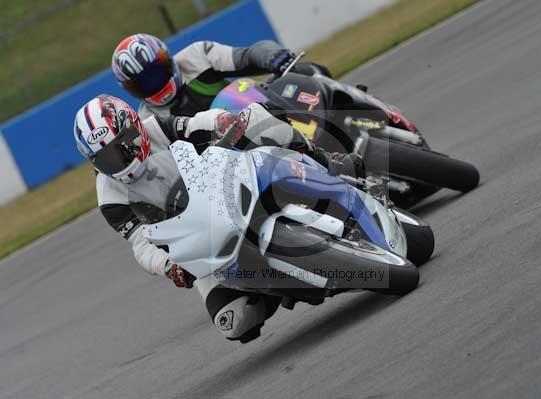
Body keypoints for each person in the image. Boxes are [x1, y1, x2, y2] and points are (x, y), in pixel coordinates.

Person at [73, 94, 363, 343]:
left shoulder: (157, 129)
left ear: (133, 129)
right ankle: (274, 288)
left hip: (223, 188)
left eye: (121, 146)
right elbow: (140, 244)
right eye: (106, 159)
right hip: (198, 243)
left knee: (257, 117)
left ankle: (328, 163)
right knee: (235, 324)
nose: (120, 161)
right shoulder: (110, 198)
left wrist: (220, 121)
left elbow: (197, 122)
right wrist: (169, 267)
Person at [111, 33, 331, 120]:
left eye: (156, 74)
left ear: (169, 60)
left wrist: (273, 56)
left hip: (260, 114)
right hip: (231, 166)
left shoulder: (197, 55)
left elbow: (247, 55)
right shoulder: (149, 121)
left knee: (307, 72)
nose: (154, 84)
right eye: (143, 83)